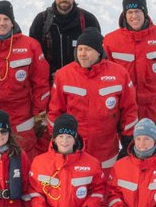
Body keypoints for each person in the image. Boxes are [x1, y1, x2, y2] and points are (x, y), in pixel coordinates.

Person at [47, 27, 137, 170]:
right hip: (74, 147)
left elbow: (129, 109)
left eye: (87, 49)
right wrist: (56, 140)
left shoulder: (119, 74)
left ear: (99, 52)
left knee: (106, 189)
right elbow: (55, 112)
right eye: (80, 49)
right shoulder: (64, 75)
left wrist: (128, 138)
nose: (82, 54)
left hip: (106, 149)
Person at [0, 1, 50, 152]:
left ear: (12, 22)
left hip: (21, 116)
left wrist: (40, 114)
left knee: (22, 157)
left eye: (6, 19)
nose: (2, 23)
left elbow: (40, 83)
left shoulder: (30, 46)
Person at [102, 0, 156, 122]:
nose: (134, 16)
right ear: (124, 14)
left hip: (155, 107)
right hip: (125, 108)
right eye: (130, 12)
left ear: (145, 12)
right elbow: (105, 78)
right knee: (130, 143)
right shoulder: (110, 40)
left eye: (137, 11)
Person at [27, 114, 105, 207]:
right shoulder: (39, 162)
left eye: (69, 137)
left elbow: (98, 190)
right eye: (61, 136)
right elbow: (34, 191)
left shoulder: (92, 163)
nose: (65, 141)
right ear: (54, 139)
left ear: (75, 138)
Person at [28, 0, 101, 78]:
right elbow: (33, 53)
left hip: (80, 80)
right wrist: (50, 73)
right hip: (49, 81)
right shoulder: (42, 20)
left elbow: (98, 53)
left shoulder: (88, 20)